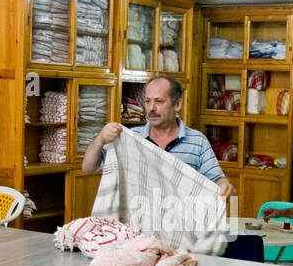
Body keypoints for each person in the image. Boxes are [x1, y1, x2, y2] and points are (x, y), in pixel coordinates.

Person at [82, 75, 234, 199]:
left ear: (177, 104)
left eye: (159, 101)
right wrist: (100, 139)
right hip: (138, 226)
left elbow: (216, 180)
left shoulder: (197, 141)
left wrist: (223, 185)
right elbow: (89, 168)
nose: (151, 108)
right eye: (148, 101)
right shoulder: (131, 138)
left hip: (179, 226)